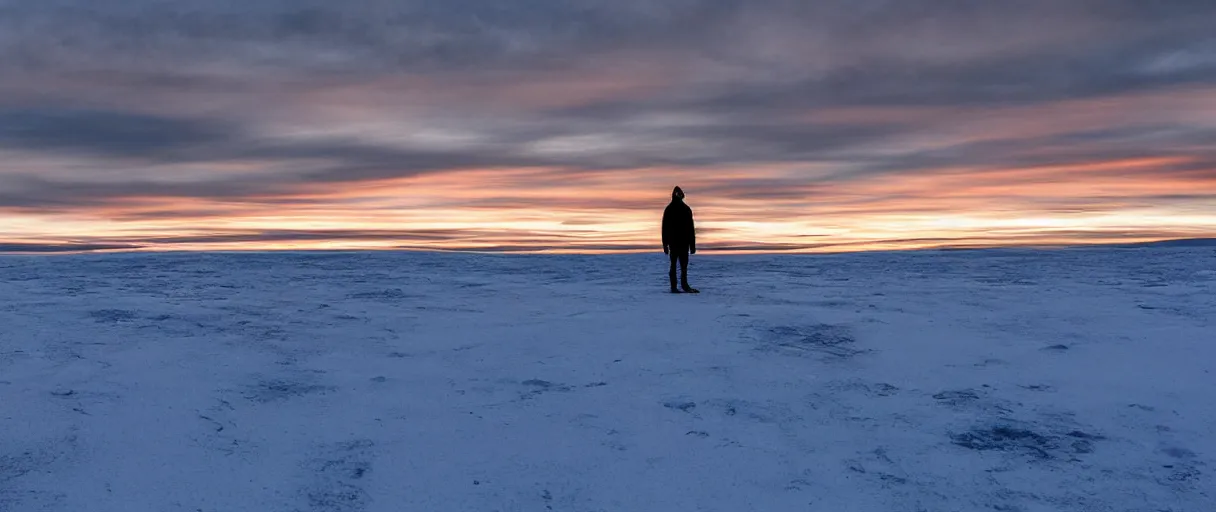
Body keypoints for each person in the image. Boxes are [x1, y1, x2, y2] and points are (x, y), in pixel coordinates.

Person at [662, 186, 699, 293]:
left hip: (683, 243)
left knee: (683, 266)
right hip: (674, 243)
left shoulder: (686, 209)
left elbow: (690, 229)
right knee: (674, 265)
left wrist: (692, 245)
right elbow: (665, 228)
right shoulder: (670, 209)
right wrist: (665, 244)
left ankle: (684, 285)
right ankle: (674, 286)